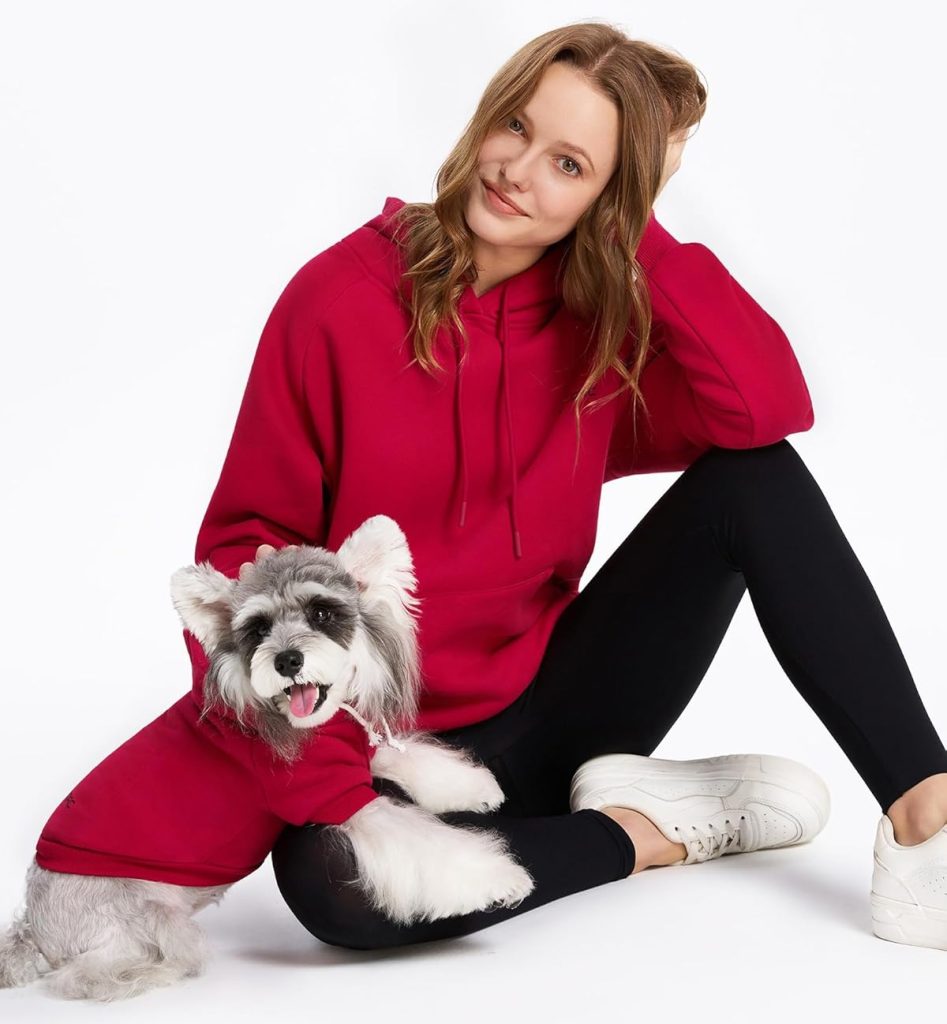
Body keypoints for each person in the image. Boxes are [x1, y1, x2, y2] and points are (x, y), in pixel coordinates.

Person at [188, 22, 947, 951]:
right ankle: (646, 829)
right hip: (390, 745)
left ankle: (930, 825)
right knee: (331, 884)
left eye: (570, 165)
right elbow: (243, 547)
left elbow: (765, 410)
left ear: (607, 200)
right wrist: (315, 761)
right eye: (515, 126)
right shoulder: (335, 301)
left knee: (755, 482)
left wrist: (644, 236)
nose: (516, 170)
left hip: (562, 705)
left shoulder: (594, 325)